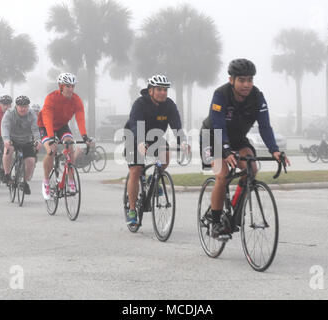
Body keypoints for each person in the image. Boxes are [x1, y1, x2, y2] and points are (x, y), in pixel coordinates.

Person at [200, 59, 290, 238]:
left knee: (252, 169)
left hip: (238, 140)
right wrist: (225, 150)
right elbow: (218, 125)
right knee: (223, 175)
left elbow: (265, 126)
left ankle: (234, 209)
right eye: (242, 80)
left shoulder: (257, 97)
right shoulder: (221, 95)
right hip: (213, 138)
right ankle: (216, 221)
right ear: (231, 80)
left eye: (250, 80)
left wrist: (275, 150)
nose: (247, 84)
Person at [124, 75, 189, 225]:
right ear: (150, 90)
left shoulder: (169, 105)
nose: (163, 93)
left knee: (166, 154)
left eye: (165, 90)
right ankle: (132, 210)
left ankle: (154, 179)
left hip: (155, 138)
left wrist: (183, 142)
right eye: (159, 89)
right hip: (134, 136)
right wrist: (140, 142)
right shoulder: (140, 104)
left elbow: (176, 126)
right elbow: (135, 124)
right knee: (136, 169)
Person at [38, 73, 94, 200]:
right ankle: (46, 181)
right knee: (51, 151)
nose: (70, 89)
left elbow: (80, 119)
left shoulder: (76, 100)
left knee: (70, 145)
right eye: (67, 86)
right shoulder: (51, 98)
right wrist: (51, 138)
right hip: (46, 126)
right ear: (61, 86)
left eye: (72, 86)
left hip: (62, 126)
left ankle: (70, 178)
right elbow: (47, 118)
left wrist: (85, 136)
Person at [1, 96, 43, 195]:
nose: (23, 109)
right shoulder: (9, 113)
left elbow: (36, 129)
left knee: (31, 161)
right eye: (21, 106)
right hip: (12, 139)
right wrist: (6, 140)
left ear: (28, 106)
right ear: (16, 106)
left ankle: (24, 181)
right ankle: (7, 174)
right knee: (8, 150)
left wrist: (38, 140)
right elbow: (5, 127)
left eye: (25, 106)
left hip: (26, 140)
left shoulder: (32, 114)